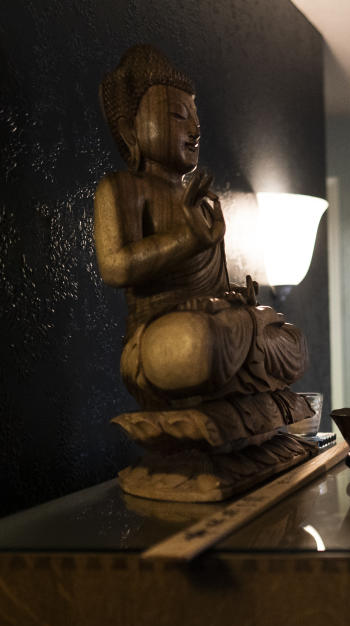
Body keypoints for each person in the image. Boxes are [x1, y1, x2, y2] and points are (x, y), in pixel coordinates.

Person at [95, 45, 307, 411]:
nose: (194, 129)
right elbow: (115, 267)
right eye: (178, 116)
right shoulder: (123, 188)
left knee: (289, 339)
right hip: (160, 330)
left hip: (213, 317)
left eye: (196, 120)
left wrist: (237, 298)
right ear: (132, 129)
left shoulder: (205, 199)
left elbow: (215, 284)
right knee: (196, 342)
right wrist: (186, 238)